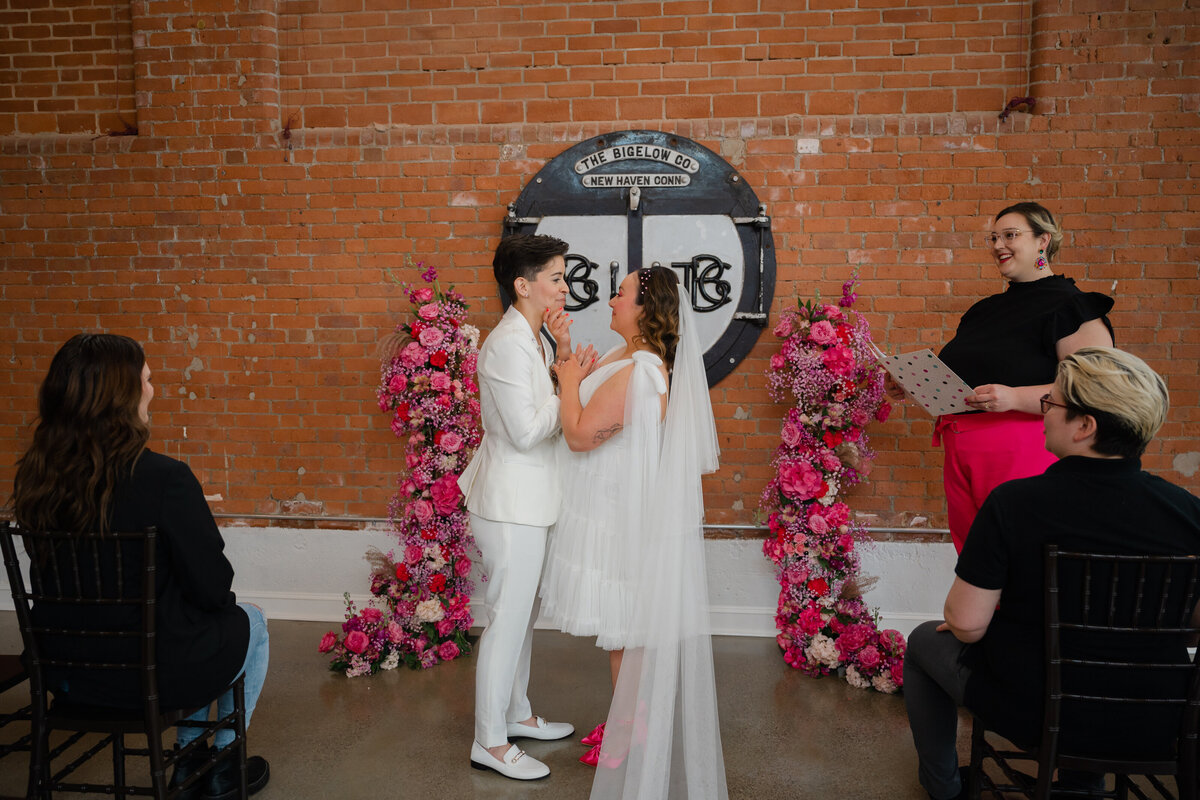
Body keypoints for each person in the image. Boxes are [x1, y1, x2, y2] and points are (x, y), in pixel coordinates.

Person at [903, 347, 1200, 800]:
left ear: (1086, 426)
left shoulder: (1014, 503)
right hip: (1160, 713)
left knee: (925, 640)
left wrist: (970, 623)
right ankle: (1084, 785)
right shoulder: (1189, 513)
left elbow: (965, 623)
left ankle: (944, 790)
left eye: (1052, 403)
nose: (1043, 413)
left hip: (1039, 710)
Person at [10, 333, 271, 800]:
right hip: (151, 676)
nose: (152, 390)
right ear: (123, 395)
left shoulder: (36, 476)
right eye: (147, 380)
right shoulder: (166, 478)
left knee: (209, 622)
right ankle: (215, 765)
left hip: (67, 675)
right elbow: (214, 590)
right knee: (248, 619)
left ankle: (192, 761)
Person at [540, 266, 727, 799]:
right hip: (610, 507)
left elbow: (578, 435)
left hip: (622, 515)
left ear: (646, 309)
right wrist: (569, 354)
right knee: (621, 629)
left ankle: (631, 731)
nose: (612, 300)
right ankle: (627, 721)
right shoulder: (626, 359)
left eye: (621, 294)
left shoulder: (641, 372)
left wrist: (570, 381)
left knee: (625, 630)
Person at [457, 233, 584, 780]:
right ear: (522, 285)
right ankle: (489, 741)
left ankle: (515, 713)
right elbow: (529, 430)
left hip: (530, 500)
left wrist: (559, 360)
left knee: (521, 616)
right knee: (506, 620)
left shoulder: (532, 336)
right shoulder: (506, 343)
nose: (564, 287)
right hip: (509, 505)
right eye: (555, 277)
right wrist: (570, 386)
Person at [922, 202, 1115, 552]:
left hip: (1026, 448)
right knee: (976, 555)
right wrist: (911, 382)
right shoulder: (983, 311)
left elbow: (1095, 389)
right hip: (961, 451)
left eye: (1010, 235)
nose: (998, 245)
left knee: (1023, 551)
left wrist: (1014, 398)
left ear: (1043, 240)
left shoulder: (1071, 306)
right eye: (993, 237)